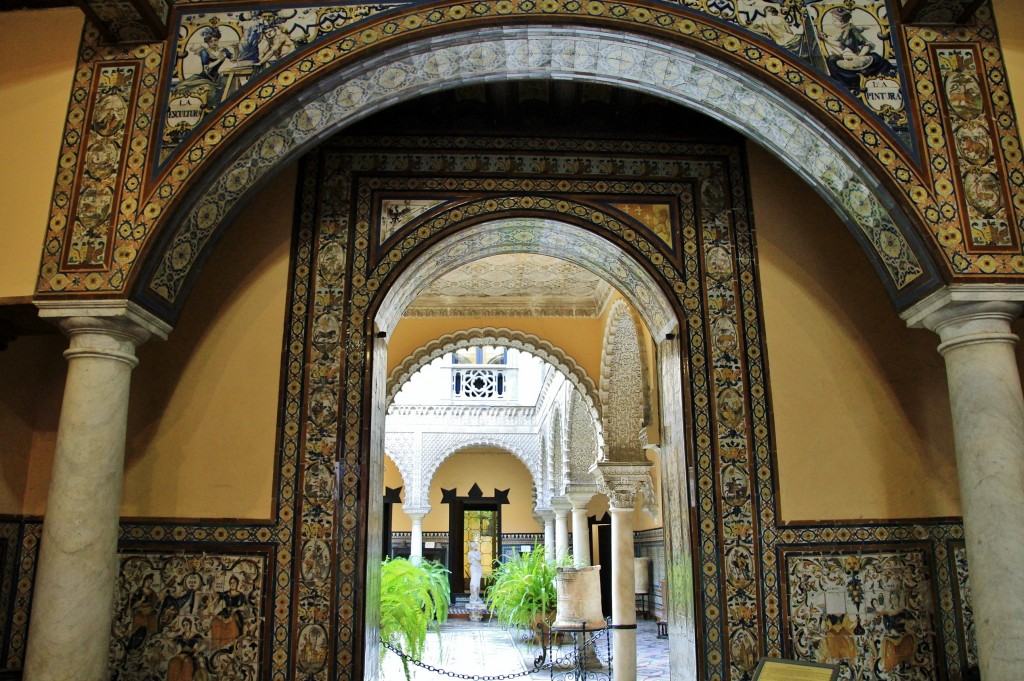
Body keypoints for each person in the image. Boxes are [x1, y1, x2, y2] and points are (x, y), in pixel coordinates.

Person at [467, 540, 483, 604]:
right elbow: (469, 561)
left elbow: (479, 559)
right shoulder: (469, 553)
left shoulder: (478, 552)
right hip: (473, 567)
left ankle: (477, 596)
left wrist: (474, 557)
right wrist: (473, 559)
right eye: (475, 545)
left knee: (478, 583)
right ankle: (473, 596)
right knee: (473, 582)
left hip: (478, 568)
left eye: (476, 545)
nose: (476, 546)